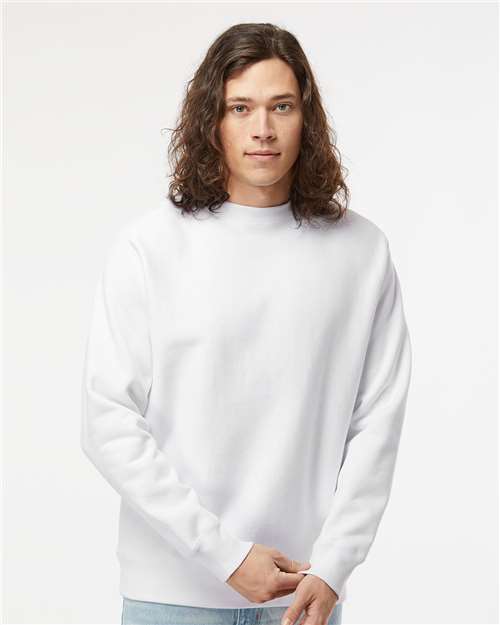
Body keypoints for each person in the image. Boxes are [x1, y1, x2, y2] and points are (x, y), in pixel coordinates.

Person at [81, 22, 412, 625]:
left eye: (281, 106)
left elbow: (377, 423)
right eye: (241, 108)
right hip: (172, 599)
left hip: (305, 596)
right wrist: (225, 555)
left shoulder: (361, 253)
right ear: (212, 120)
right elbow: (108, 422)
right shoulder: (149, 248)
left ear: (306, 118)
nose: (263, 128)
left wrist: (335, 565)